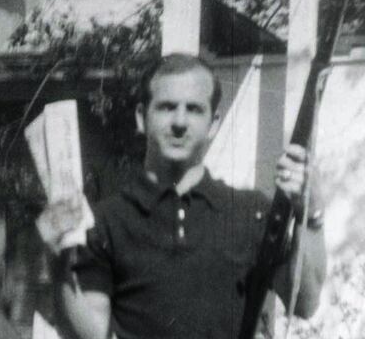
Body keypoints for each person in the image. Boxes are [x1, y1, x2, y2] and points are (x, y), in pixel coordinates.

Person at [36, 53, 326, 339]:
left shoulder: (252, 212)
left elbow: (306, 303)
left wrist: (311, 217)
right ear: (141, 117)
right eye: (166, 107)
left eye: (194, 109)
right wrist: (59, 266)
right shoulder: (104, 221)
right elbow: (90, 335)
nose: (179, 121)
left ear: (213, 123)